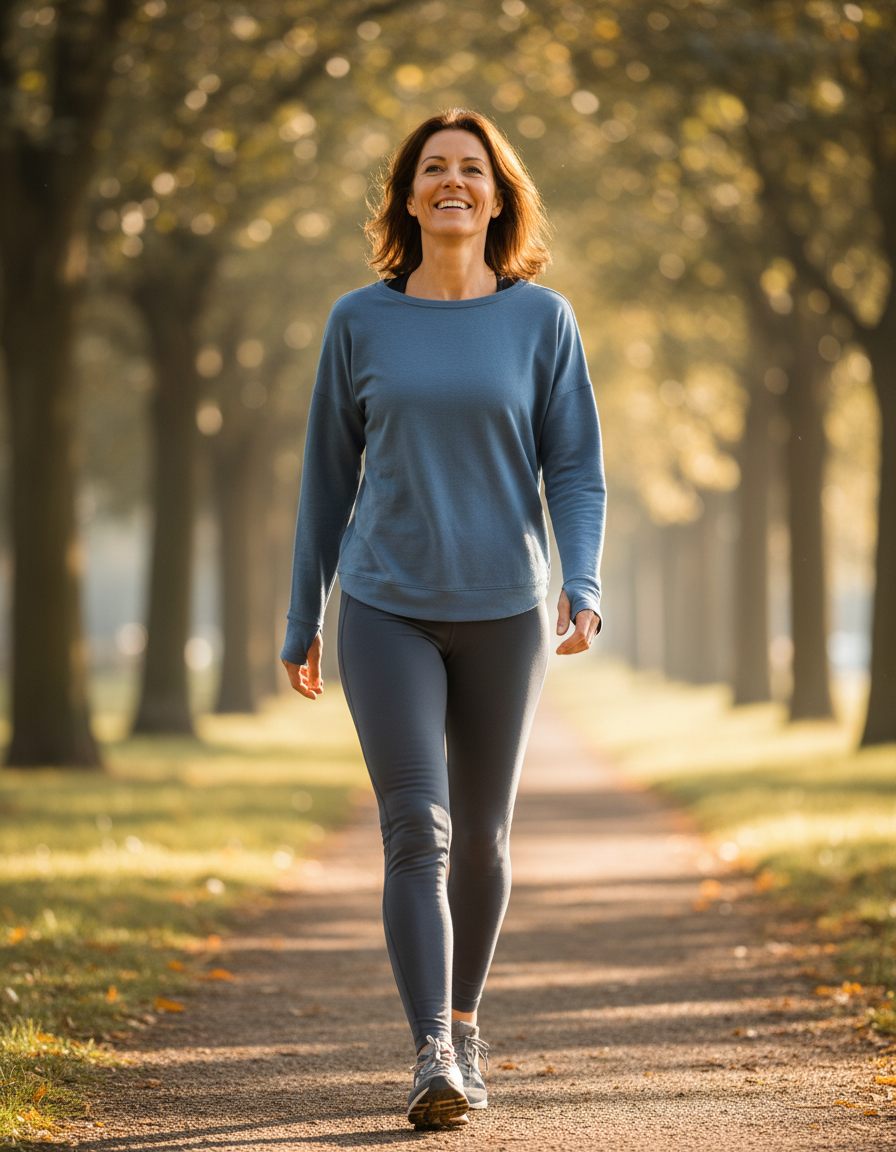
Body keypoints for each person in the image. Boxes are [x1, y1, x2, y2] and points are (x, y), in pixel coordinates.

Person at [281, 108, 606, 1128]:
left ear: (498, 194)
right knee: (413, 829)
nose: (452, 182)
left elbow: (575, 468)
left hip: (505, 608)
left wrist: (581, 582)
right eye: (433, 168)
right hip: (384, 605)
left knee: (485, 840)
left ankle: (465, 1022)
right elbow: (324, 482)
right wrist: (303, 615)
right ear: (408, 194)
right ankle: (430, 1050)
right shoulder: (357, 322)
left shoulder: (542, 320)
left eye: (471, 168)